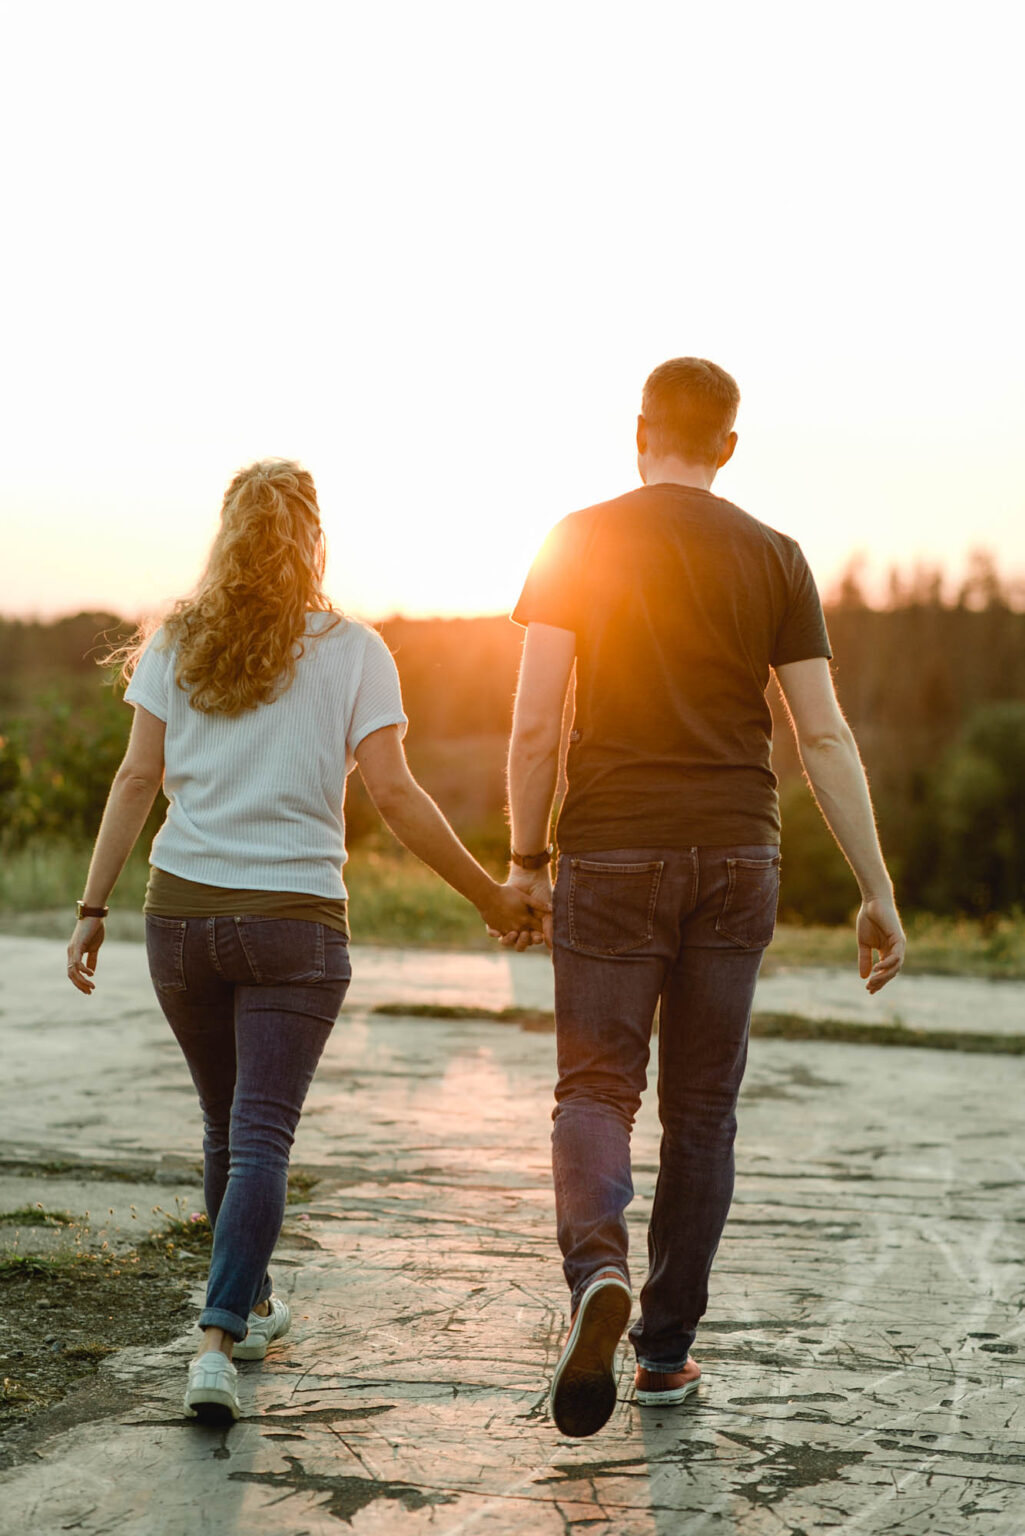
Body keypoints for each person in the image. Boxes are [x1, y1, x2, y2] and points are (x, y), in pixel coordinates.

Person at [66, 458, 545, 1426]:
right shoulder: (354, 648)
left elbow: (133, 781)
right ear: (312, 538)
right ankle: (215, 1340)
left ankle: (253, 1301)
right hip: (292, 927)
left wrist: (91, 908)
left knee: (226, 1128)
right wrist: (490, 896)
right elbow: (397, 796)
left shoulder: (175, 645)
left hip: (181, 923)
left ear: (227, 534)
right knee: (259, 1138)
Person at [503, 357, 906, 1438]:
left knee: (594, 1088)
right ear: (727, 445)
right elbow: (818, 733)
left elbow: (536, 720)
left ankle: (596, 1271)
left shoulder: (578, 537)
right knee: (702, 1114)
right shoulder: (774, 555)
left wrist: (524, 858)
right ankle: (666, 1355)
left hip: (611, 847)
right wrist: (875, 889)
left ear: (638, 432)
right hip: (736, 853)